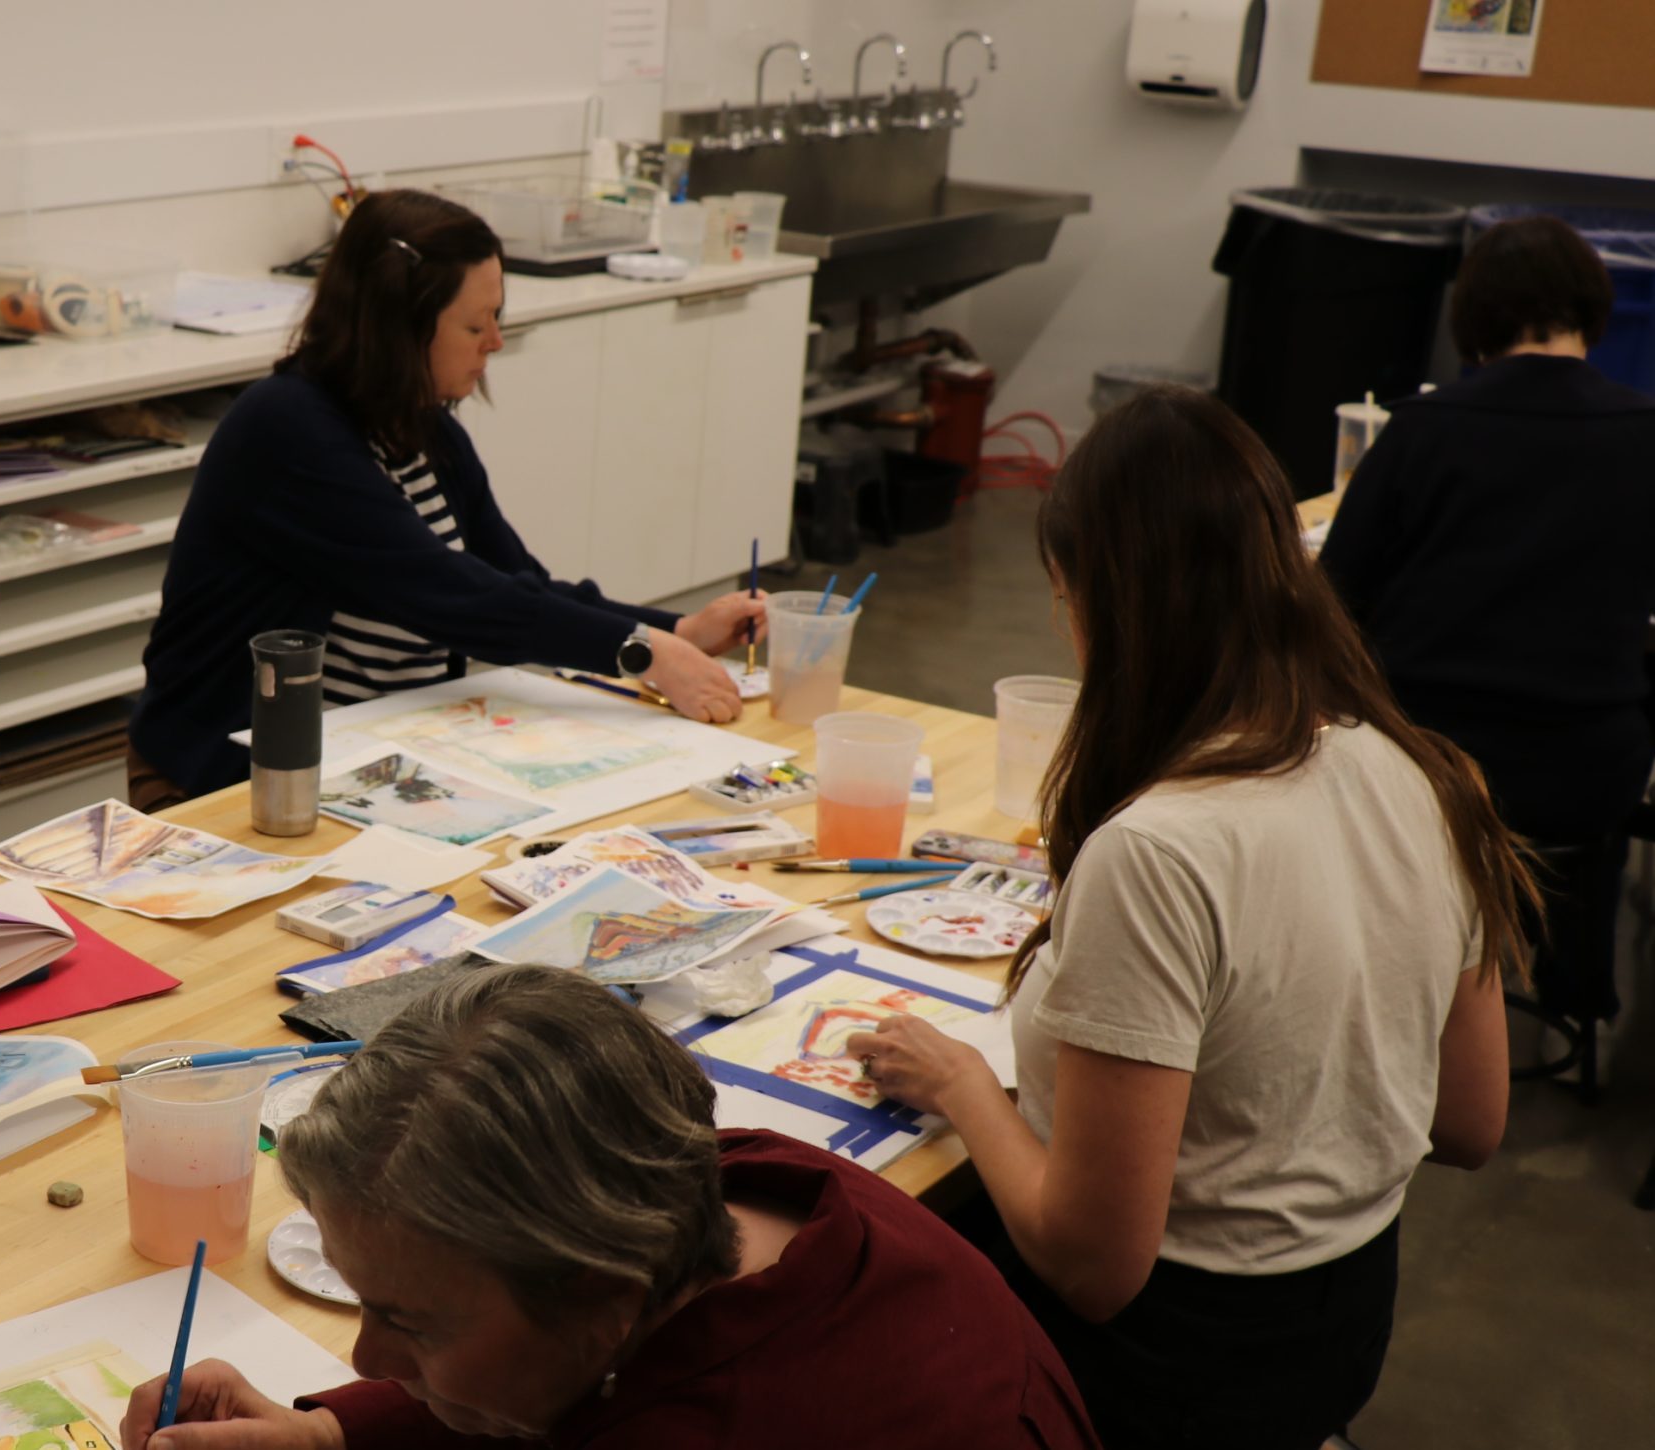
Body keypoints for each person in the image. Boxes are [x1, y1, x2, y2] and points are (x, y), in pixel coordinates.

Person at [847, 386, 1534, 1450]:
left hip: (1177, 1369)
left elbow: (1092, 1268)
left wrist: (963, 1085)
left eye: (1064, 595)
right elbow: (1471, 1122)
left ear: (1109, 604)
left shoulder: (1163, 850)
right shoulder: (1434, 776)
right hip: (1344, 1325)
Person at [116, 965, 1098, 1450]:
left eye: (408, 1318)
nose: (366, 1358)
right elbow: (565, 1381)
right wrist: (330, 1435)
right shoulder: (715, 1174)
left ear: (601, 1293)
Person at [125, 190, 765, 809]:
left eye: (498, 319)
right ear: (399, 329)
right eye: (474, 324)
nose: (495, 342)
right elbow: (451, 595)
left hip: (383, 751)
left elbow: (517, 585)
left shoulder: (424, 428)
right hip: (235, 770)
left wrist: (678, 631)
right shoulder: (288, 428)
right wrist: (642, 652)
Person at [1320, 214, 1655, 1034]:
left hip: (1422, 773)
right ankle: (1574, 982)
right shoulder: (1646, 435)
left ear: (1472, 319)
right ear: (1592, 311)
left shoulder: (1423, 431)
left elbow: (1331, 605)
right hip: (1585, 774)